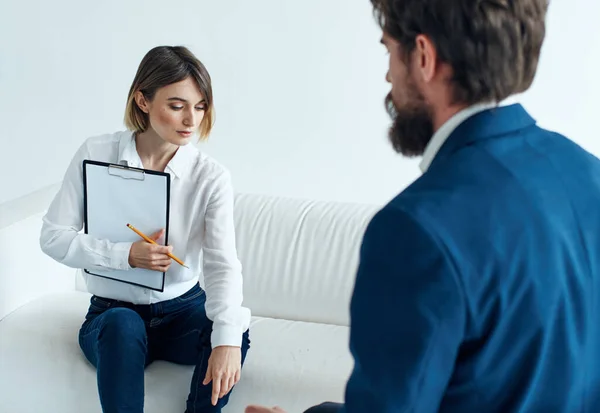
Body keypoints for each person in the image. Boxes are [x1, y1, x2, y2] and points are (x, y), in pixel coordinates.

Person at [247, 0, 600, 412]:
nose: (387, 75)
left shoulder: (414, 230)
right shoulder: (588, 173)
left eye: (389, 52)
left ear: (424, 57)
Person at [40, 45, 251, 413]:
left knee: (233, 330)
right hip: (111, 314)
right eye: (177, 105)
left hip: (183, 311)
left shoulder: (211, 177)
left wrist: (227, 342)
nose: (191, 120)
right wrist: (125, 256)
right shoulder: (96, 152)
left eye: (200, 107)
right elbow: (53, 237)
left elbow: (221, 264)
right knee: (122, 325)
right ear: (142, 100)